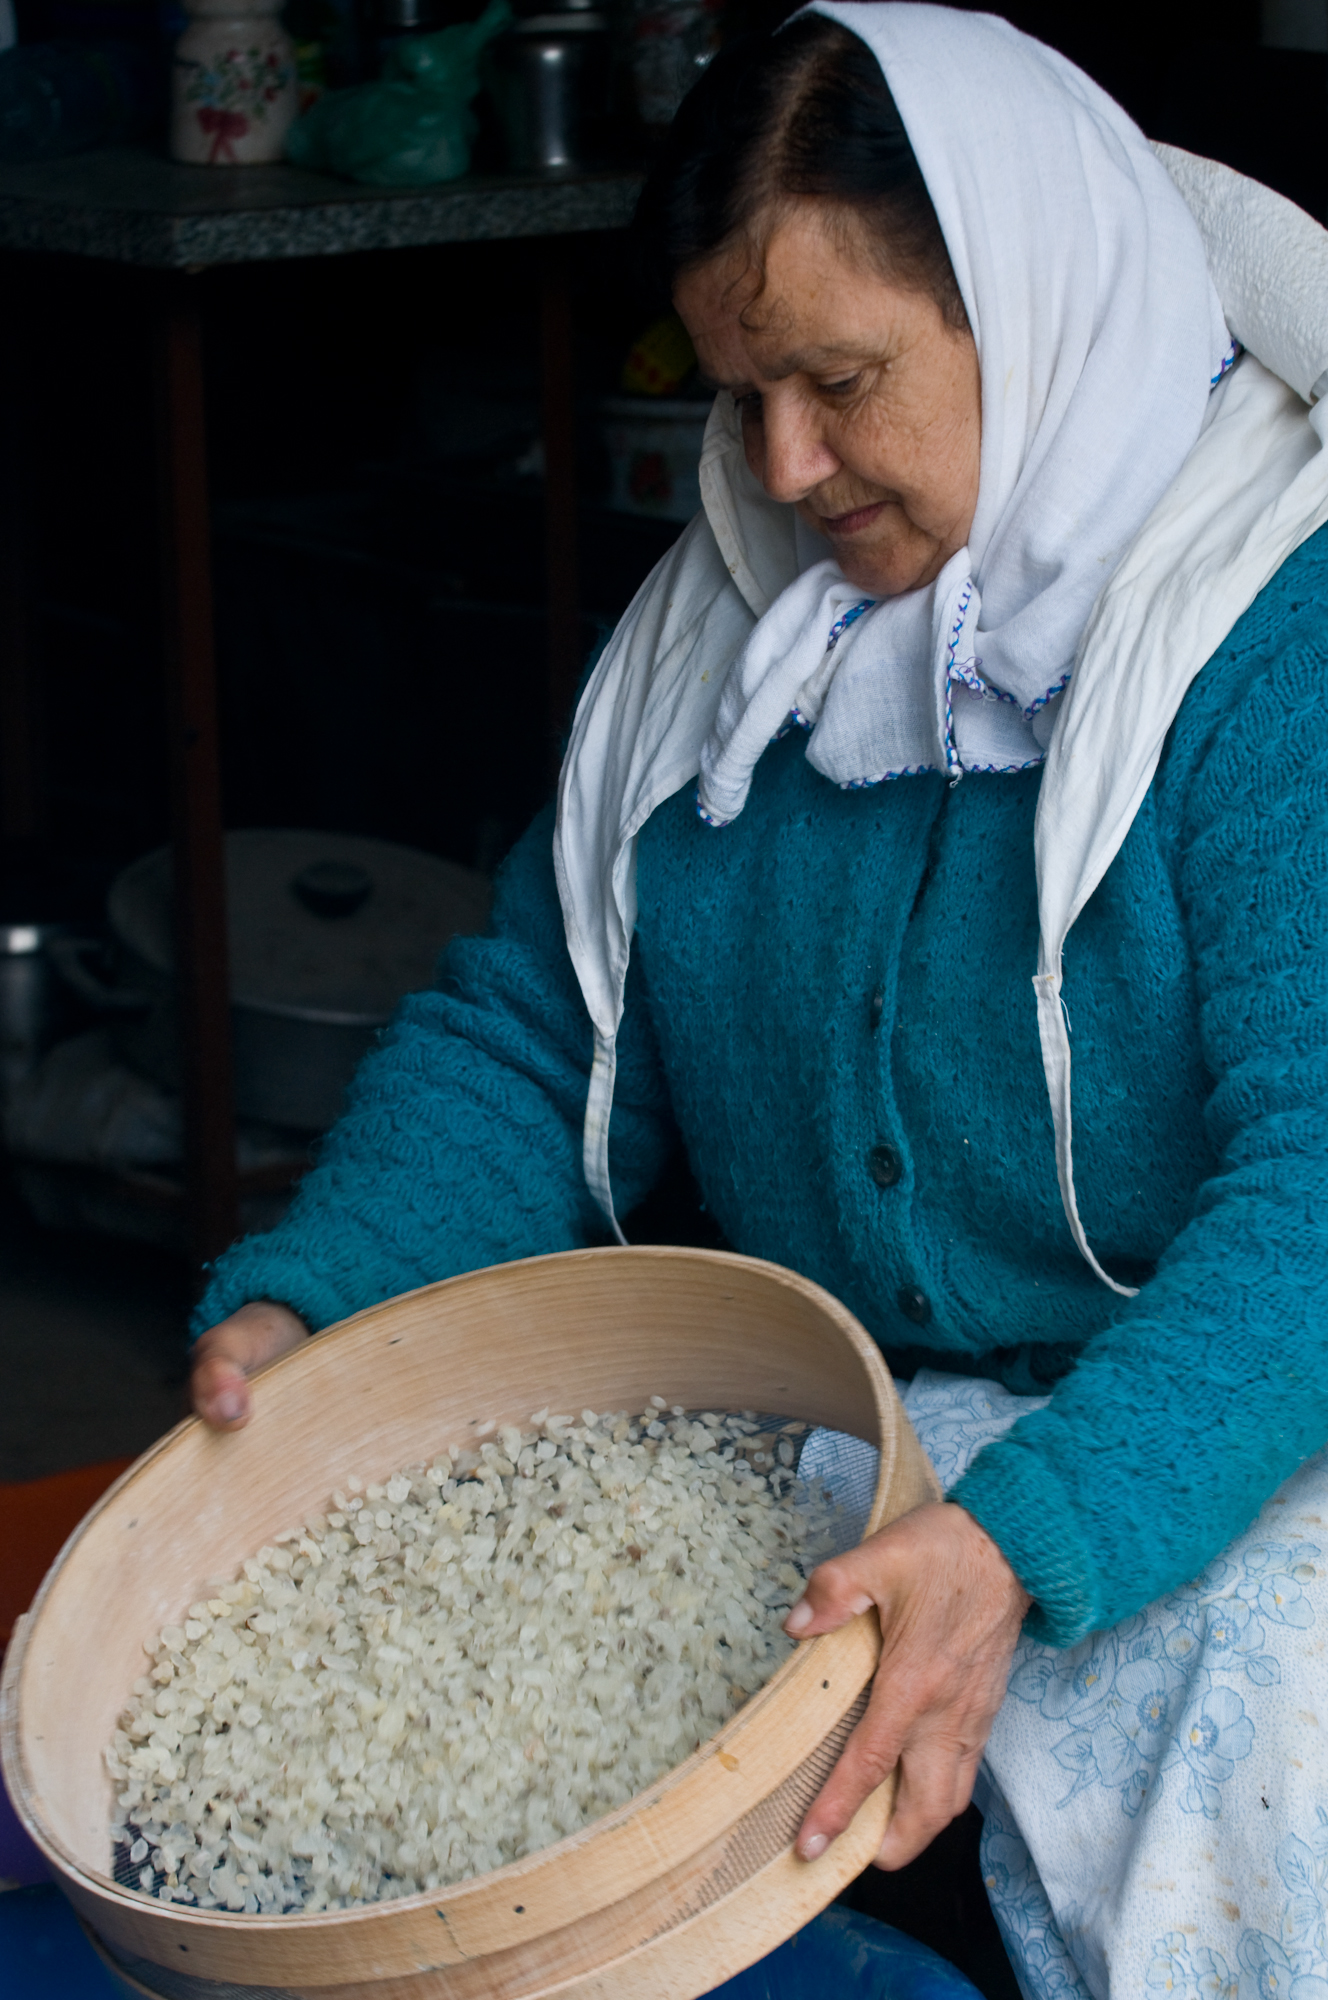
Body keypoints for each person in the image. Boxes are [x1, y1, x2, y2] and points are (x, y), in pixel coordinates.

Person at [189, 7, 1328, 1994]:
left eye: (839, 379)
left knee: (1255, 1720)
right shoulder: (735, 643)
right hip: (894, 1424)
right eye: (741, 395)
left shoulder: (1269, 630)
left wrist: (1034, 1534)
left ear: (1036, 300)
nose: (784, 465)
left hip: (1248, 1427)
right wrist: (321, 1303)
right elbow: (540, 1034)